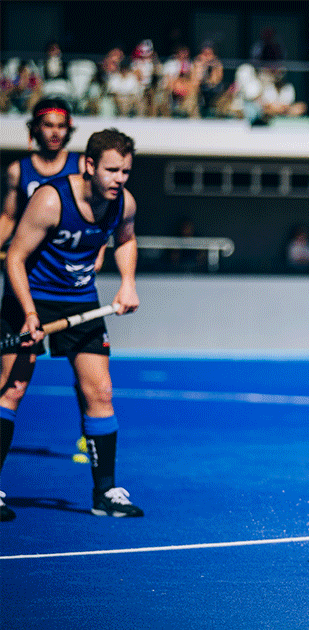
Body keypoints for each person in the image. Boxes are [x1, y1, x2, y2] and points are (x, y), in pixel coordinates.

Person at [0, 128, 142, 522]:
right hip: (29, 298)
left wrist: (127, 283)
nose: (120, 179)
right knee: (12, 389)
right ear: (89, 165)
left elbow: (126, 240)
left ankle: (105, 493)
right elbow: (14, 258)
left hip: (80, 302)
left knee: (100, 391)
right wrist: (29, 314)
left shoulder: (122, 204)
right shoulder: (50, 199)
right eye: (112, 170)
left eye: (126, 171)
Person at [3, 99, 82, 248]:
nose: (55, 132)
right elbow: (8, 218)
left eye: (61, 126)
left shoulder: (81, 166)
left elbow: (98, 216)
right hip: (30, 254)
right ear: (36, 127)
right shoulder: (18, 170)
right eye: (48, 125)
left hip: (67, 256)